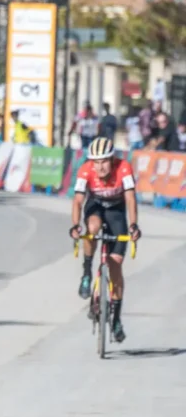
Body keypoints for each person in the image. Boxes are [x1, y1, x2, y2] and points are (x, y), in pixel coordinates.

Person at [70, 137, 141, 343]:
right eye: (96, 162)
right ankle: (86, 272)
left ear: (112, 159)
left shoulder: (124, 168)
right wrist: (75, 226)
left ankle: (116, 319)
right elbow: (77, 200)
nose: (100, 167)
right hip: (96, 206)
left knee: (115, 266)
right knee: (91, 228)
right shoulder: (85, 170)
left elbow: (130, 199)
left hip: (116, 211)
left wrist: (134, 225)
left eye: (104, 162)